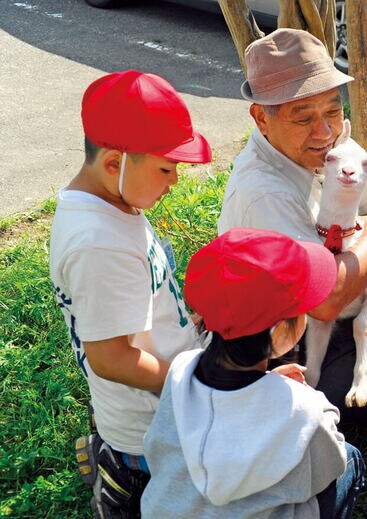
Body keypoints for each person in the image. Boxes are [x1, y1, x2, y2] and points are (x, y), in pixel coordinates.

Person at [217, 28, 367, 422]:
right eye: (303, 118)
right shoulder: (264, 193)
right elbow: (325, 301)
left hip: (366, 302)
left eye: (333, 112)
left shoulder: (327, 149)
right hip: (305, 350)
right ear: (261, 118)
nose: (324, 133)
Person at [48, 70, 213, 517]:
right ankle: (118, 476)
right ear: (114, 163)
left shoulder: (115, 203)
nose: (175, 180)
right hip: (150, 427)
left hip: (159, 390)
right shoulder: (99, 242)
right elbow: (111, 358)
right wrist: (201, 383)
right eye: (166, 167)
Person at [141, 228, 365, 518]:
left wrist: (267, 388)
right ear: (280, 332)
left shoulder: (181, 371)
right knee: (350, 458)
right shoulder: (306, 410)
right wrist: (297, 397)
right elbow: (326, 470)